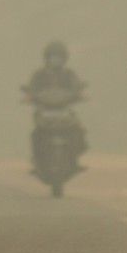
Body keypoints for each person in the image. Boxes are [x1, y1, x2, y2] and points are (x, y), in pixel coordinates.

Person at [24, 41, 87, 176]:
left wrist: (79, 94)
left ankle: (74, 158)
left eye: (58, 57)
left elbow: (76, 87)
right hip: (44, 110)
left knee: (78, 130)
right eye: (52, 57)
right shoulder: (39, 75)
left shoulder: (69, 74)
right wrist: (30, 96)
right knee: (36, 133)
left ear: (64, 58)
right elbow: (32, 88)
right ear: (47, 58)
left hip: (64, 110)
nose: (55, 60)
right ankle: (37, 158)